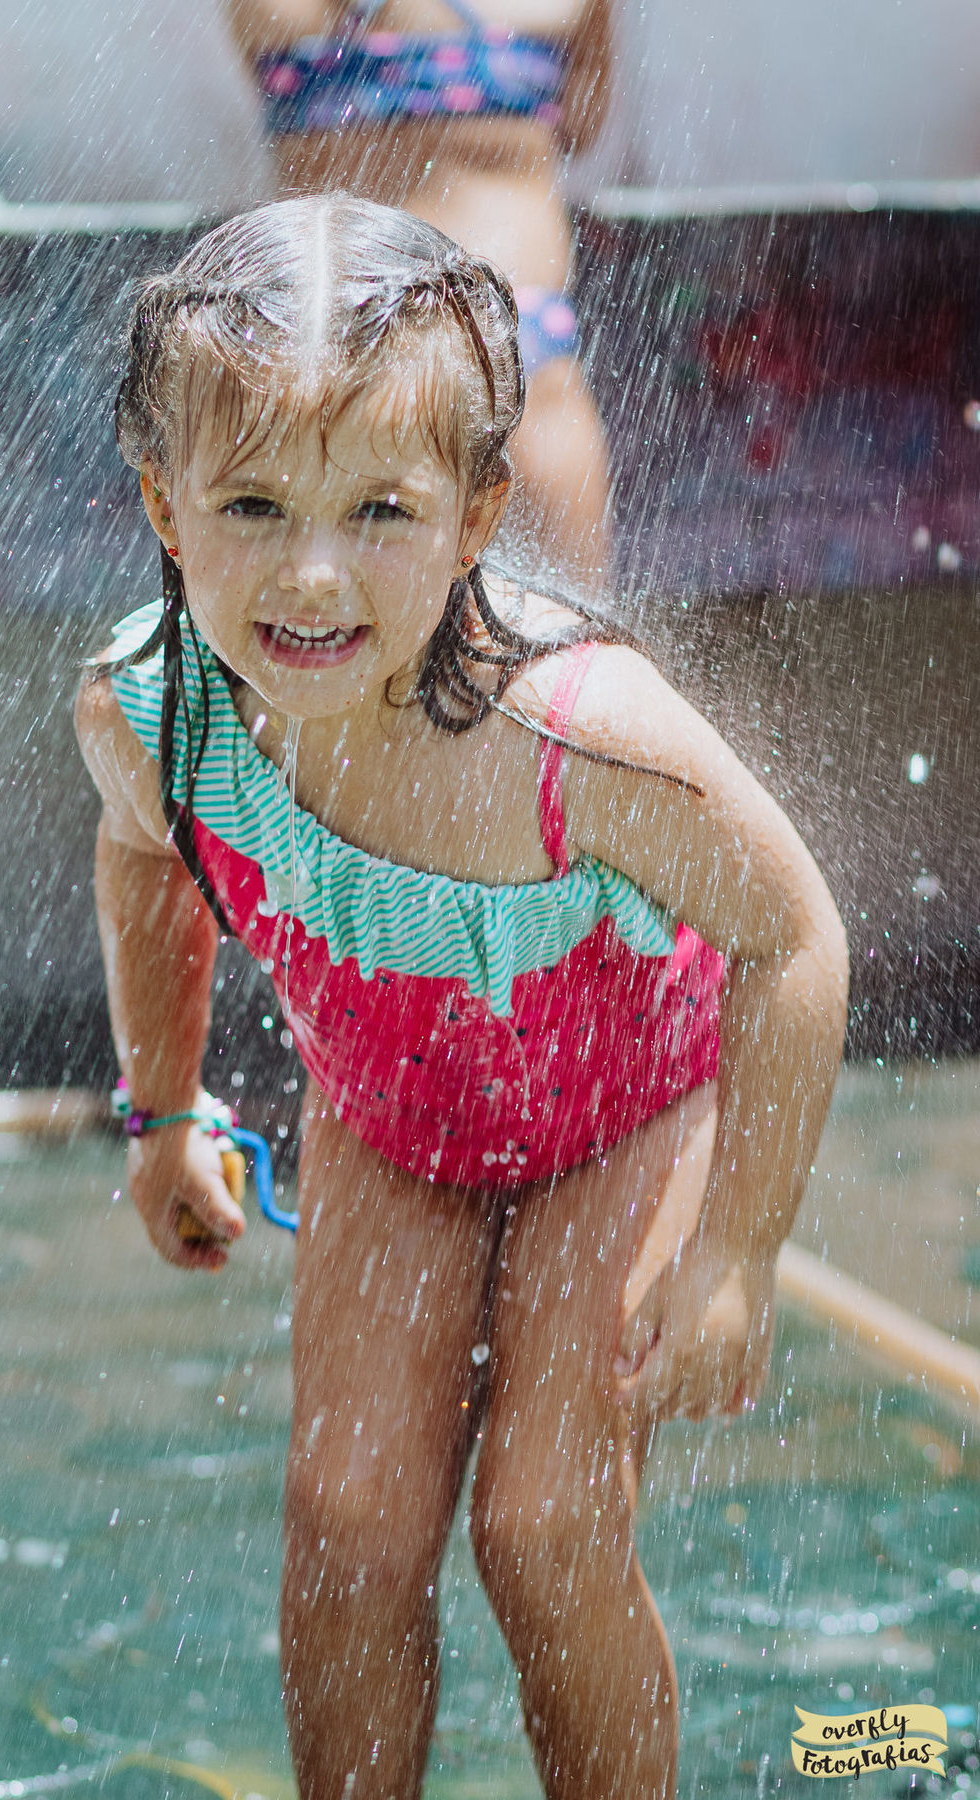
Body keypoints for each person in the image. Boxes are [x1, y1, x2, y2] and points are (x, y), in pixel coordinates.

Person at [75, 195, 848, 1799]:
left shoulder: (573, 737)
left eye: (379, 509)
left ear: (480, 511)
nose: (311, 569)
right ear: (163, 501)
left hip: (621, 1122)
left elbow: (792, 937)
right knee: (349, 1515)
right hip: (391, 1128)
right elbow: (151, 863)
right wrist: (165, 1112)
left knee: (546, 1523)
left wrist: (737, 1256)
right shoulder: (159, 718)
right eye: (252, 504)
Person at [225, 0, 614, 588]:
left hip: (327, 321)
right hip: (505, 321)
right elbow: (583, 125)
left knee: (312, 604)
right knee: (571, 632)